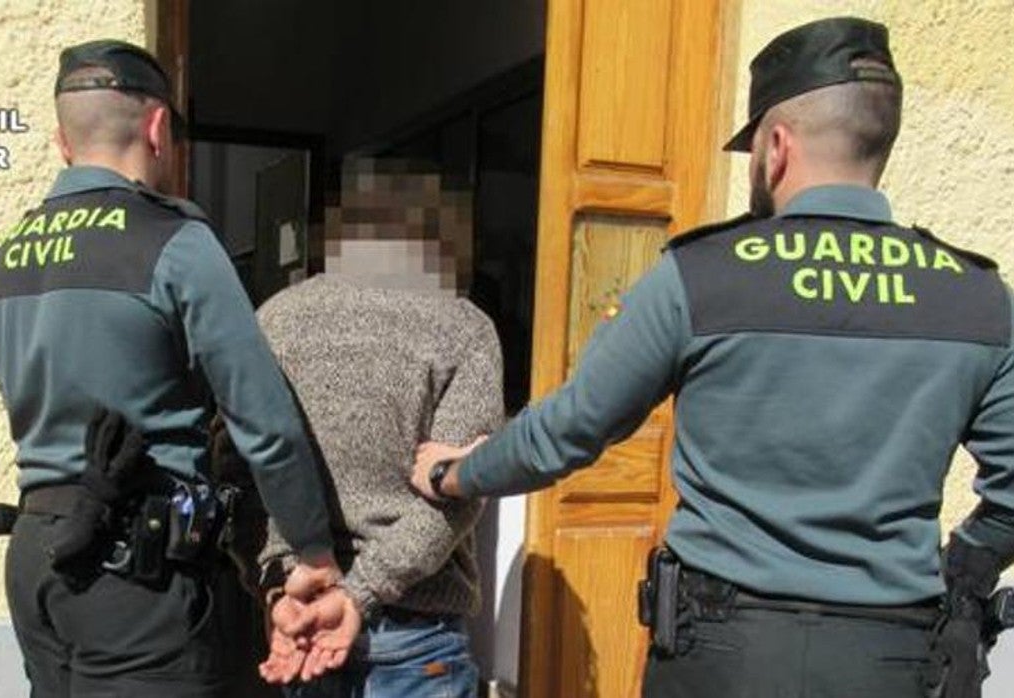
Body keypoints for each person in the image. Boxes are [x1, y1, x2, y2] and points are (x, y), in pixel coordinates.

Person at [411, 17, 1014, 698]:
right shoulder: (977, 299)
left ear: (776, 146)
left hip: (723, 655)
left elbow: (570, 429)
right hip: (892, 660)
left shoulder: (704, 278)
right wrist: (965, 568)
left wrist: (456, 473)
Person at [0, 39, 357, 697]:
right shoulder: (174, 243)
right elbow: (264, 424)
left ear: (63, 143)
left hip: (37, 557)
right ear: (157, 128)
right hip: (139, 572)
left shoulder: (1, 262)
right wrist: (315, 554)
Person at [249, 159, 503, 696]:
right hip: (416, 633)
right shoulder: (464, 327)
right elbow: (460, 490)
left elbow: (244, 464)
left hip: (301, 619)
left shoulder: (274, 318)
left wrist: (279, 586)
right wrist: (360, 591)